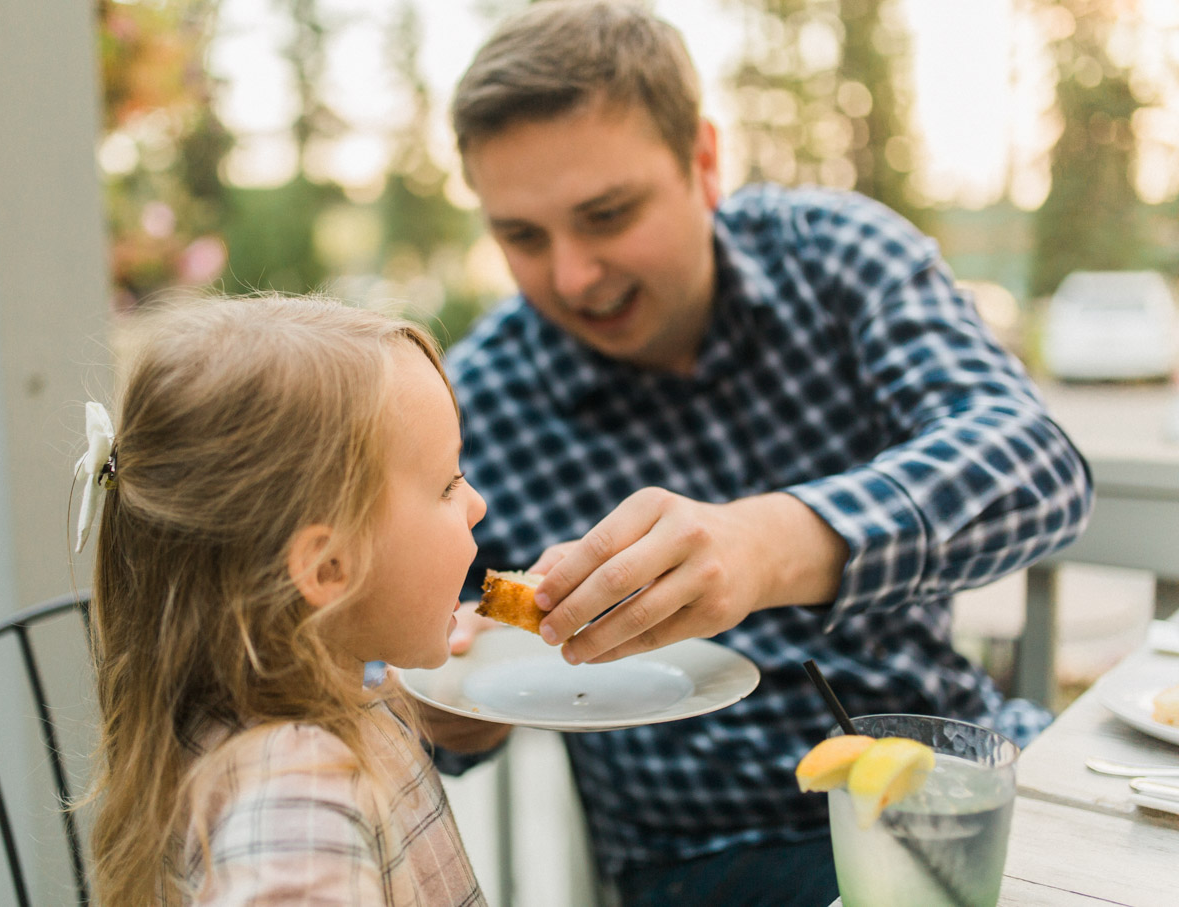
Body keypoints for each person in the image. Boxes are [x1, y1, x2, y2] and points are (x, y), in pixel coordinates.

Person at [422, 2, 1094, 905]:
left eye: (608, 214)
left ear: (703, 161)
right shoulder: (481, 400)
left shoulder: (834, 256)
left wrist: (769, 544)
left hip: (953, 780)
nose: (574, 275)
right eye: (523, 237)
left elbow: (1037, 461)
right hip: (713, 855)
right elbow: (415, 667)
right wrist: (447, 711)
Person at [79, 295, 489, 906]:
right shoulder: (297, 796)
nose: (477, 502)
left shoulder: (308, 691)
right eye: (448, 484)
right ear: (327, 568)